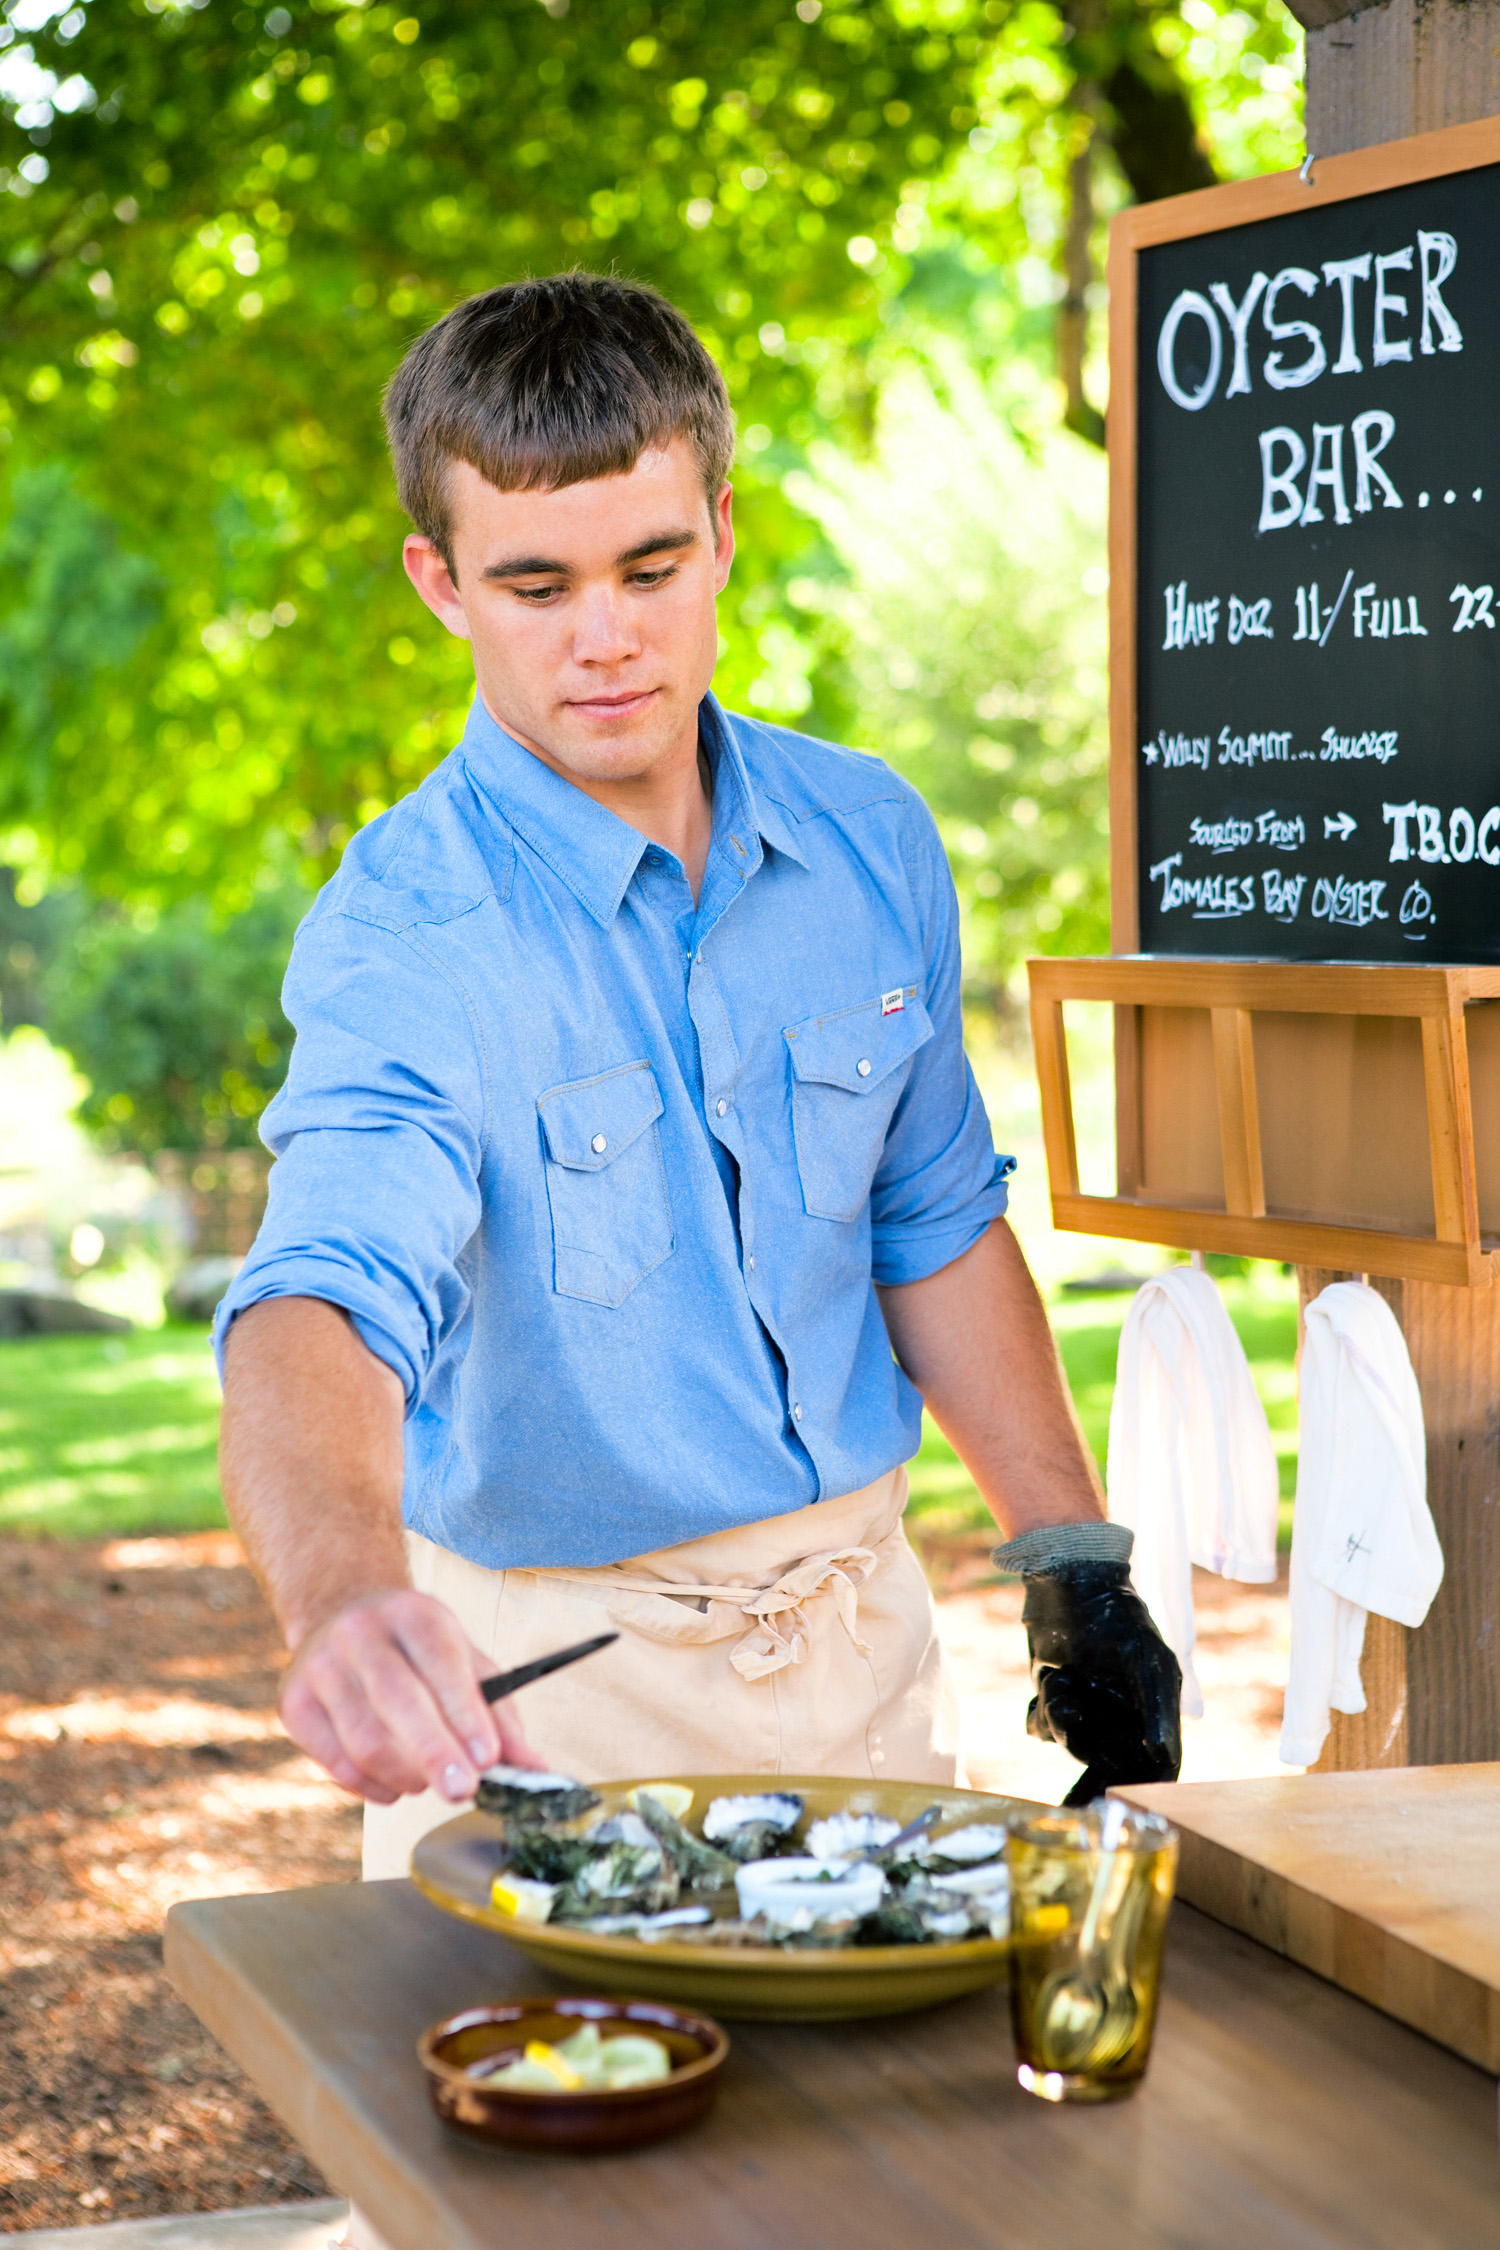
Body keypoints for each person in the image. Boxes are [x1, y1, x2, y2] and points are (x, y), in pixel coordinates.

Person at [216, 273, 1181, 1891]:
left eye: (650, 568)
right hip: (554, 1710)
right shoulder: (405, 936)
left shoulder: (870, 839)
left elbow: (932, 1219)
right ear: (440, 582)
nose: (605, 637)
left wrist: (1074, 1562)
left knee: (915, 2067)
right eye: (535, 585)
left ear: (723, 533)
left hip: (864, 1662)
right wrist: (343, 1596)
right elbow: (322, 1292)